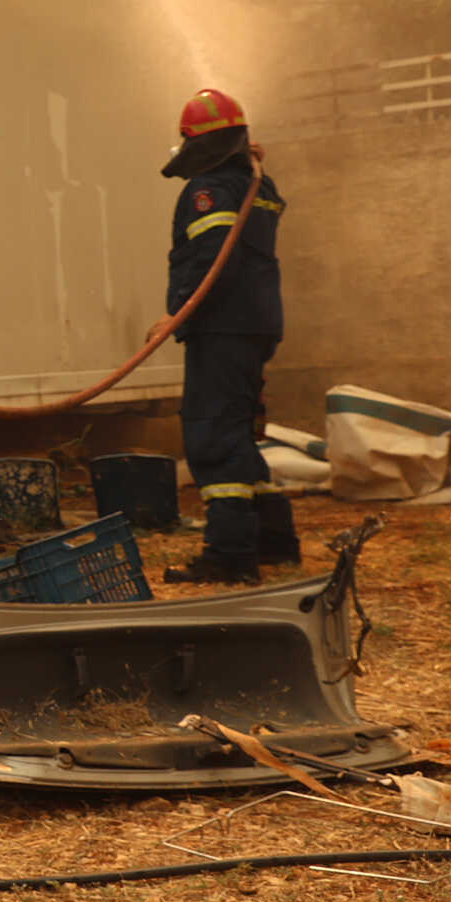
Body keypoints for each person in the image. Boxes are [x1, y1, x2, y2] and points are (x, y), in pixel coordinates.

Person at [144, 87, 296, 585]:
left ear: (194, 142)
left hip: (222, 327)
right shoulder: (258, 184)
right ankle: (275, 542)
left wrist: (179, 315)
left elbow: (214, 260)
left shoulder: (208, 190)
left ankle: (230, 555)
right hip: (255, 325)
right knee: (240, 432)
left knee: (213, 434)